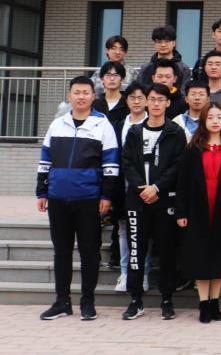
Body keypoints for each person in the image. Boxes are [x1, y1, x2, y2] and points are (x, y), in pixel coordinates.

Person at [36, 76, 118, 321]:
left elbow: (111, 164)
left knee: (89, 252)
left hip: (89, 198)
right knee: (61, 251)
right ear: (69, 95)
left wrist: (107, 195)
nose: (81, 96)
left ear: (93, 96)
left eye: (85, 92)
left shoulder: (102, 125)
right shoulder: (57, 124)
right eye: (76, 92)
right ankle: (62, 301)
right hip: (58, 197)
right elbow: (45, 160)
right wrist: (42, 191)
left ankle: (87, 302)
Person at [120, 83, 188, 320]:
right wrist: (142, 187)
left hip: (164, 199)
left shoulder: (175, 132)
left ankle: (167, 299)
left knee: (167, 251)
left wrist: (157, 187)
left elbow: (178, 165)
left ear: (168, 103)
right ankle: (135, 300)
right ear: (146, 102)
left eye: (161, 99)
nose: (156, 104)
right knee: (136, 252)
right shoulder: (135, 132)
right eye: (152, 99)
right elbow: (126, 162)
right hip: (138, 200)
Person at [174, 102, 221, 323]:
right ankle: (203, 303)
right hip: (197, 210)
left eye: (219, 117)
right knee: (200, 256)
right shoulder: (192, 149)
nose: (215, 121)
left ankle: (215, 302)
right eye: (211, 117)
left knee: (220, 257)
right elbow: (182, 183)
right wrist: (181, 212)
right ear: (204, 121)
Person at [112, 82, 151, 290]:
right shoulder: (118, 125)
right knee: (123, 229)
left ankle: (143, 274)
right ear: (126, 101)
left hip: (146, 187)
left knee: (145, 232)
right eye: (132, 98)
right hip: (122, 186)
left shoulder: (153, 123)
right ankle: (125, 273)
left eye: (140, 97)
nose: (136, 101)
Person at [93, 61, 129, 126]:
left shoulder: (128, 103)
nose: (112, 79)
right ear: (102, 78)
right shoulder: (95, 104)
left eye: (116, 75)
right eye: (108, 75)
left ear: (122, 79)